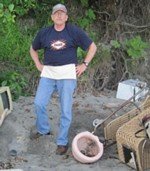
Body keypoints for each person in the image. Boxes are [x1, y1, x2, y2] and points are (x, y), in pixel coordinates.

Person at [29, 3, 97, 155]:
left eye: (62, 13)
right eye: (56, 13)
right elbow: (33, 49)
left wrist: (84, 64)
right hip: (48, 74)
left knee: (65, 109)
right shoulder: (44, 33)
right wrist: (38, 64)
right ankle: (43, 130)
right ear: (52, 17)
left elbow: (93, 47)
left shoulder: (73, 31)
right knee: (39, 103)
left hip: (67, 75)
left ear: (66, 17)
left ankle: (62, 141)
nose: (59, 15)